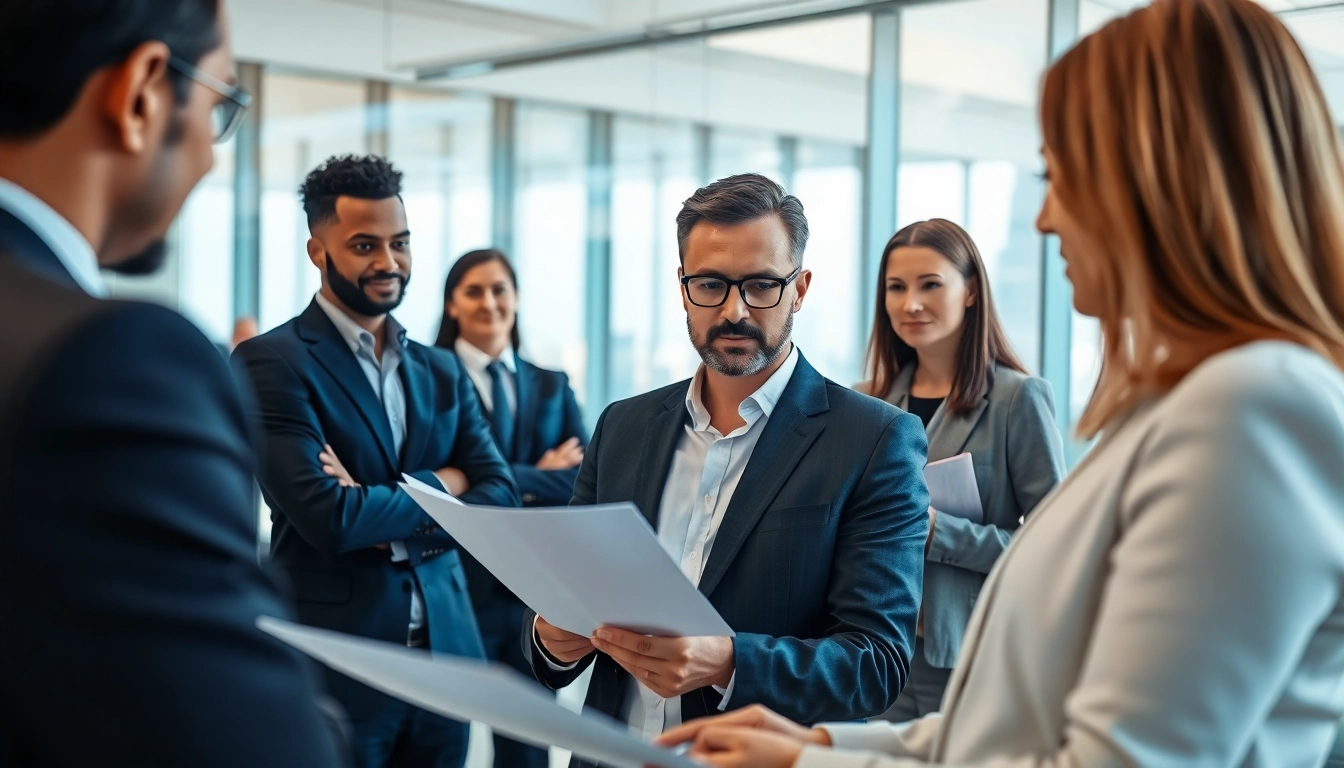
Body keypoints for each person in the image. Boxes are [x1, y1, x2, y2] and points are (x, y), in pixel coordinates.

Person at [656, 0, 1344, 765]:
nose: (1046, 218)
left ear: (1166, 183)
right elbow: (1012, 724)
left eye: (1064, 177)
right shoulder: (1180, 407)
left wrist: (811, 763)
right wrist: (819, 738)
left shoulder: (1253, 411)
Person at [0, 1, 343, 765]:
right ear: (143, 93)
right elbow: (255, 744)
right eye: (220, 104)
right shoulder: (111, 364)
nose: (211, 157)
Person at [522, 173, 931, 767]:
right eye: (711, 284)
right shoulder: (623, 426)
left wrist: (729, 660)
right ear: (683, 287)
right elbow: (567, 606)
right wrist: (552, 638)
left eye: (763, 285)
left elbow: (876, 664)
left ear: (801, 288)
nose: (735, 310)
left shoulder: (874, 440)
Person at [232, 155, 519, 768]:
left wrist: (385, 494)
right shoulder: (273, 363)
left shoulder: (440, 369)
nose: (388, 263)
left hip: (448, 661)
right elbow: (329, 518)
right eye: (364, 245)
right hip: (340, 666)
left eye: (400, 243)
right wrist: (448, 482)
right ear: (318, 250)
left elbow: (500, 497)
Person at [858, 218, 1065, 719]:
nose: (911, 303)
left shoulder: (1017, 399)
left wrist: (937, 532)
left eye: (930, 284)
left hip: (969, 656)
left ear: (970, 292)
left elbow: (1055, 548)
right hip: (877, 648)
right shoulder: (868, 402)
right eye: (896, 287)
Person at [434, 248, 588, 768]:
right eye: (473, 290)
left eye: (500, 289)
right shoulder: (425, 380)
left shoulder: (551, 384)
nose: (489, 302)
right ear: (452, 304)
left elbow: (583, 480)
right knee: (439, 740)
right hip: (452, 588)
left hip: (531, 595)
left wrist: (483, 480)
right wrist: (534, 476)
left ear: (516, 299)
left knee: (526, 750)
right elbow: (426, 481)